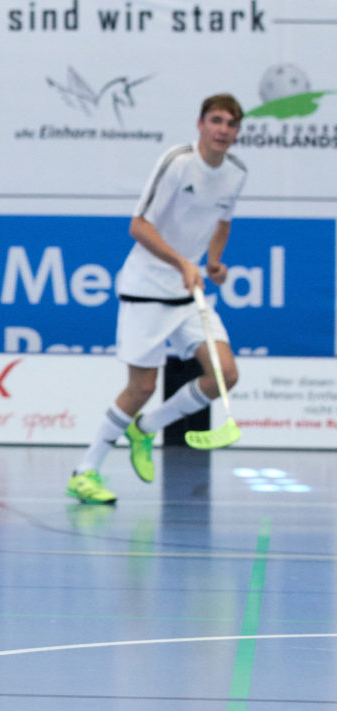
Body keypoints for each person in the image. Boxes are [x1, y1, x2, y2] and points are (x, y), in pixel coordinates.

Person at [68, 93, 246, 505]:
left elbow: (222, 221)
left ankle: (146, 429)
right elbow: (138, 227)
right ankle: (85, 472)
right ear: (200, 124)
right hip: (146, 288)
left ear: (237, 132)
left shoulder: (236, 173)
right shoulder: (178, 162)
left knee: (225, 374)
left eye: (231, 124)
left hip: (188, 294)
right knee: (142, 387)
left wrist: (214, 263)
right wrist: (184, 262)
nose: (223, 129)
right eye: (216, 120)